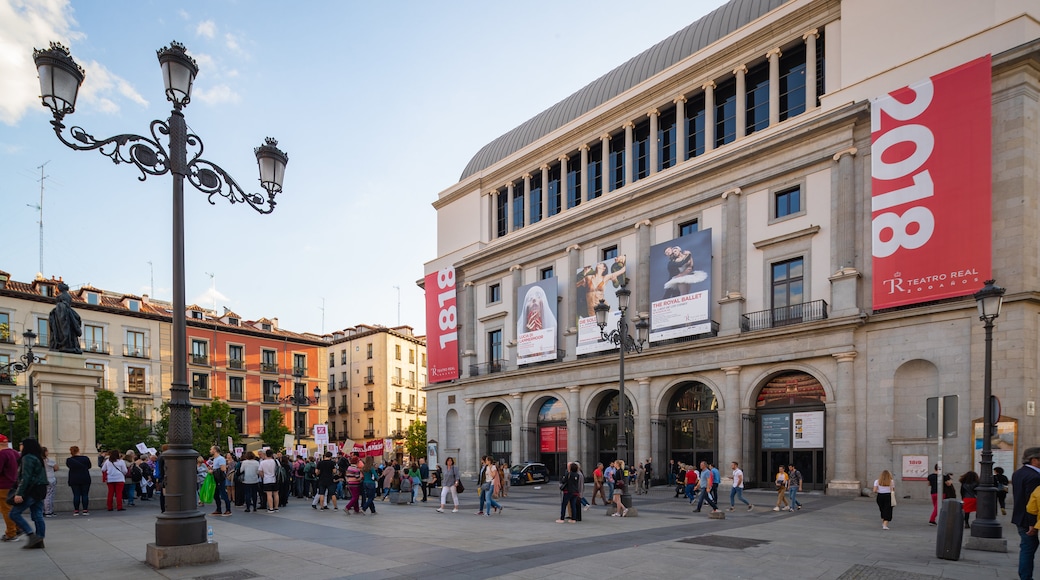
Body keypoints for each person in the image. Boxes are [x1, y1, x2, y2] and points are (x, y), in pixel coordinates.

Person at [9, 438, 48, 549]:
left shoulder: (27, 458)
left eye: (22, 445)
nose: (20, 446)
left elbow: (26, 477)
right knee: (37, 515)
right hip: (40, 489)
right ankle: (39, 538)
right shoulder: (37, 457)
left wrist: (19, 493)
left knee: (14, 514)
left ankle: (31, 535)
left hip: (31, 490)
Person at [1013, 447, 1040, 580]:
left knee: (1028, 546)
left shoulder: (1018, 473)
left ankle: (1024, 575)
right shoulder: (1034, 477)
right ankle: (1026, 577)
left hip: (1019, 516)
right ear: (1034, 460)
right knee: (1029, 547)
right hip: (1029, 519)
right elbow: (1032, 502)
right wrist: (1032, 524)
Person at [47, 283, 82, 353]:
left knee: (64, 329)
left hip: (63, 313)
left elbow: (62, 320)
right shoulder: (66, 297)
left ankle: (65, 344)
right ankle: (68, 345)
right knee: (69, 329)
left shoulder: (61, 302)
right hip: (64, 314)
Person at [0, 434, 21, 542]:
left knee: (6, 510)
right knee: (12, 509)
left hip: (3, 485)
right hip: (13, 484)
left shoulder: (2, 454)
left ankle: (11, 533)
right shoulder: (14, 452)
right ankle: (18, 527)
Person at [66, 445, 92, 516]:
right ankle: (85, 510)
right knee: (85, 494)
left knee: (76, 495)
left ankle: (76, 510)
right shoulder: (85, 458)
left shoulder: (69, 460)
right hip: (85, 477)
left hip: (74, 478)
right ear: (78, 450)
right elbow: (89, 466)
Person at [209, 446, 230, 517]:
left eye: (211, 449)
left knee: (223, 494)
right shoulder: (215, 459)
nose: (210, 450)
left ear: (215, 450)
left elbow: (223, 469)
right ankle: (218, 509)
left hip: (220, 479)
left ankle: (228, 509)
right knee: (216, 494)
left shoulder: (220, 459)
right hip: (216, 478)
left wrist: (213, 471)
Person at [41, 447, 57, 517]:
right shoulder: (49, 460)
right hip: (50, 478)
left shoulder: (39, 461)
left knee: (43, 495)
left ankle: (43, 510)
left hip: (42, 479)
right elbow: (56, 468)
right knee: (49, 495)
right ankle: (48, 511)